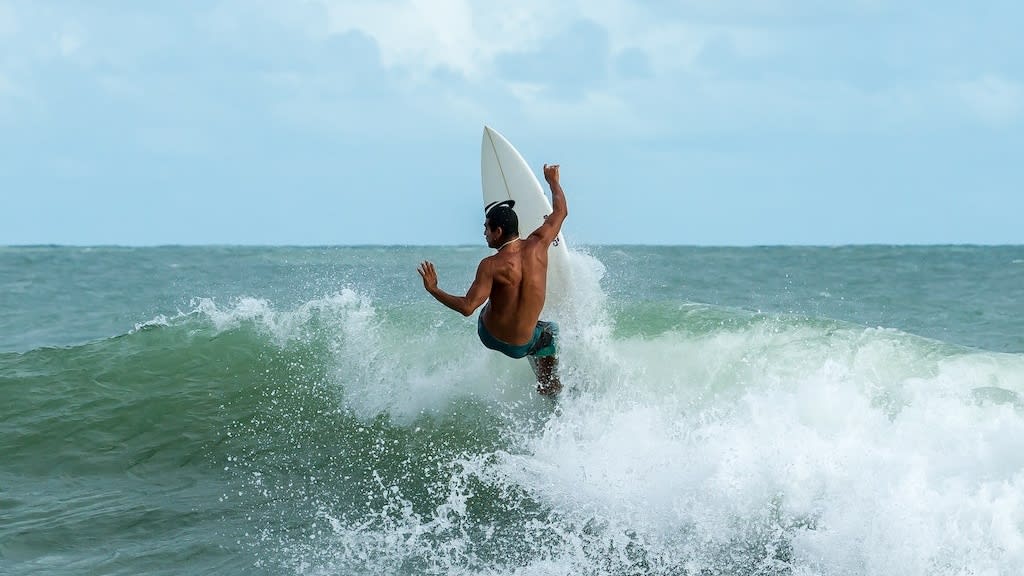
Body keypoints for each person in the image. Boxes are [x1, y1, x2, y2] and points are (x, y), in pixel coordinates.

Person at [418, 163, 568, 396]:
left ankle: (539, 366)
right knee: (551, 331)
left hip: (490, 336)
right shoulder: (540, 245)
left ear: (498, 231)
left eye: (487, 228)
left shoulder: (490, 265)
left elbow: (467, 308)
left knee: (493, 297)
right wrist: (553, 181)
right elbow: (560, 212)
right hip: (522, 346)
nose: (484, 233)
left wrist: (434, 289)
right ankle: (548, 382)